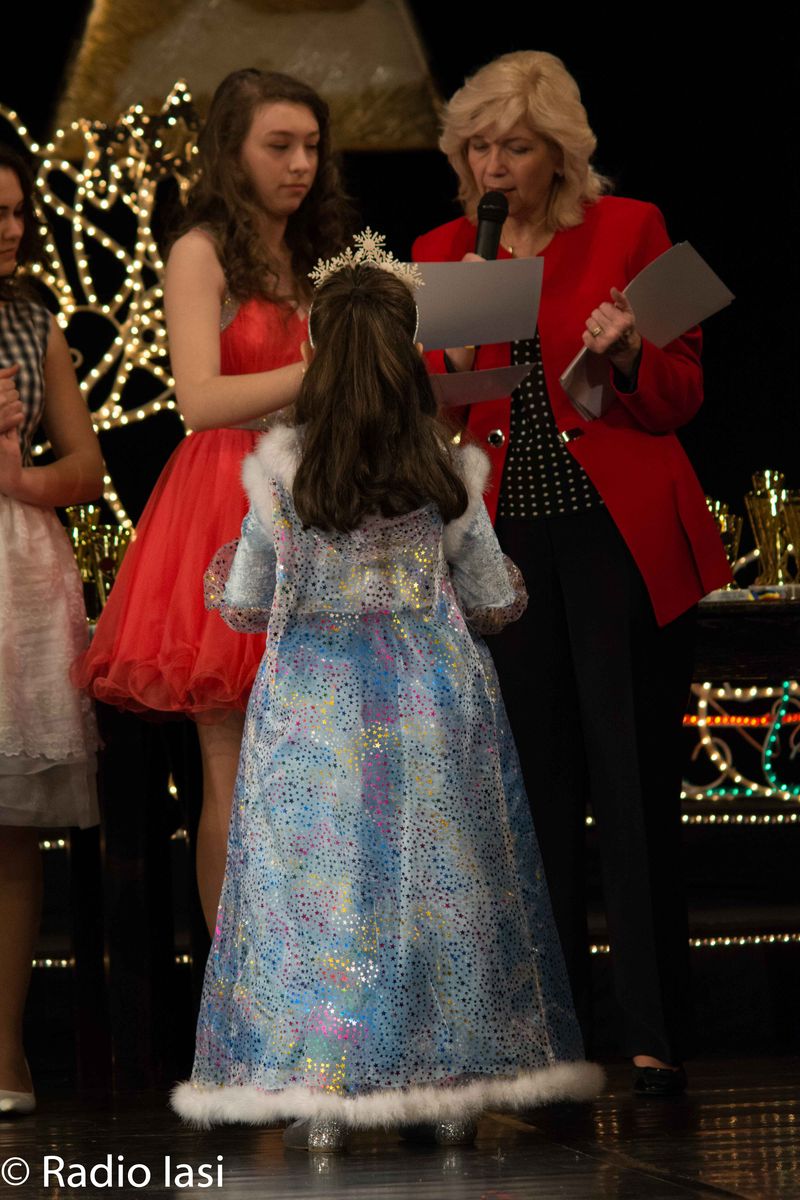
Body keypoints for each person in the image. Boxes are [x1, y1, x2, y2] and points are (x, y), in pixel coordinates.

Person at [171, 254, 603, 1151]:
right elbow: (493, 596)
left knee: (323, 889)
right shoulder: (442, 469)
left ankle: (325, 1084)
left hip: (314, 711)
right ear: (407, 356)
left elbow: (245, 599)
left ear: (316, 357)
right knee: (440, 885)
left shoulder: (281, 472)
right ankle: (444, 1086)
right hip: (431, 704)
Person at [412, 51, 731, 1095]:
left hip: (613, 540)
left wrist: (631, 353)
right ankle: (552, 1033)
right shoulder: (443, 252)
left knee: (631, 787)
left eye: (515, 146)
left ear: (558, 152)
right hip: (504, 548)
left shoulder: (628, 229)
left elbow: (681, 394)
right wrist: (448, 375)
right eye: (477, 147)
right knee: (532, 792)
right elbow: (441, 420)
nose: (493, 167)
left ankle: (652, 1031)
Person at [73, 70, 352, 931]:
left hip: (318, 496)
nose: (300, 164)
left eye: (311, 147)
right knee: (233, 763)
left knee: (323, 765)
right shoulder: (200, 251)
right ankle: (241, 984)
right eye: (279, 146)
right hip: (232, 499)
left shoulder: (317, 251)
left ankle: (315, 968)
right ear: (231, 152)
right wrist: (322, 373)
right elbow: (198, 398)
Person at [0, 146, 105, 1115]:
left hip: (16, 569)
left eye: (17, 212)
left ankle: (4, 1051)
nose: (11, 228)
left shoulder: (34, 323)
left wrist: (17, 474)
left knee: (12, 823)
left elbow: (86, 467)